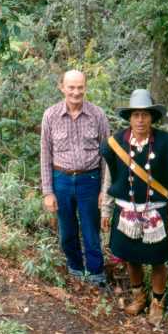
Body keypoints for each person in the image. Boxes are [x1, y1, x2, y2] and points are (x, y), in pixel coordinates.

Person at [101, 89, 168, 326]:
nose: (140, 120)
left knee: (158, 260)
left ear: (152, 118)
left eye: (145, 115)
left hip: (156, 213)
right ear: (130, 117)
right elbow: (109, 179)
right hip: (125, 212)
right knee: (130, 257)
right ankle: (139, 297)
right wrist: (106, 211)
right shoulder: (116, 143)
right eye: (136, 115)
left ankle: (157, 303)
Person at [40, 69, 110, 286]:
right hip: (61, 179)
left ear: (85, 87)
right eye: (71, 87)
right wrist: (48, 192)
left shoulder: (98, 115)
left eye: (80, 87)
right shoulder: (50, 115)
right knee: (67, 232)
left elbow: (107, 156)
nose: (76, 92)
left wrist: (104, 191)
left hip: (90, 181)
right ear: (62, 87)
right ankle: (76, 269)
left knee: (91, 231)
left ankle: (96, 275)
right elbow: (45, 154)